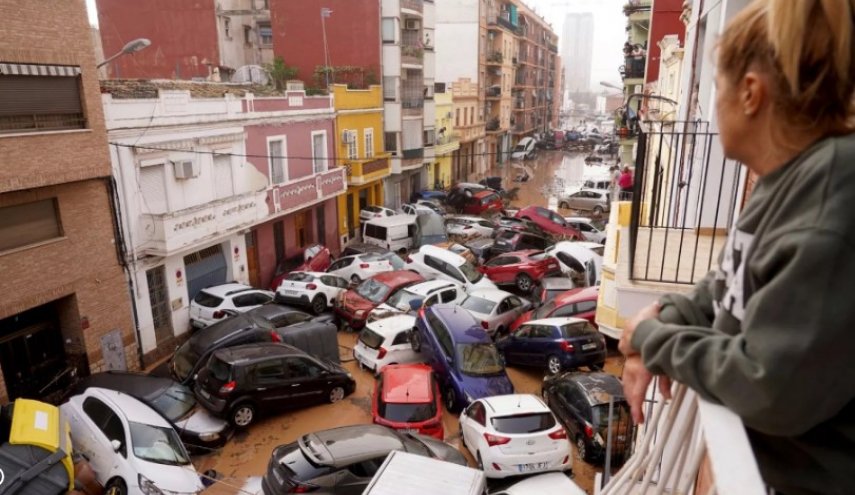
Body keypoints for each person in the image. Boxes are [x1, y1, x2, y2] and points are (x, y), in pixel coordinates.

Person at [618, 1, 855, 493]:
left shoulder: (831, 195)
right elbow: (723, 286)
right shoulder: (783, 180)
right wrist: (665, 315)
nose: (712, 101)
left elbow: (770, 386)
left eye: (717, 85)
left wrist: (652, 341)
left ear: (750, 93)